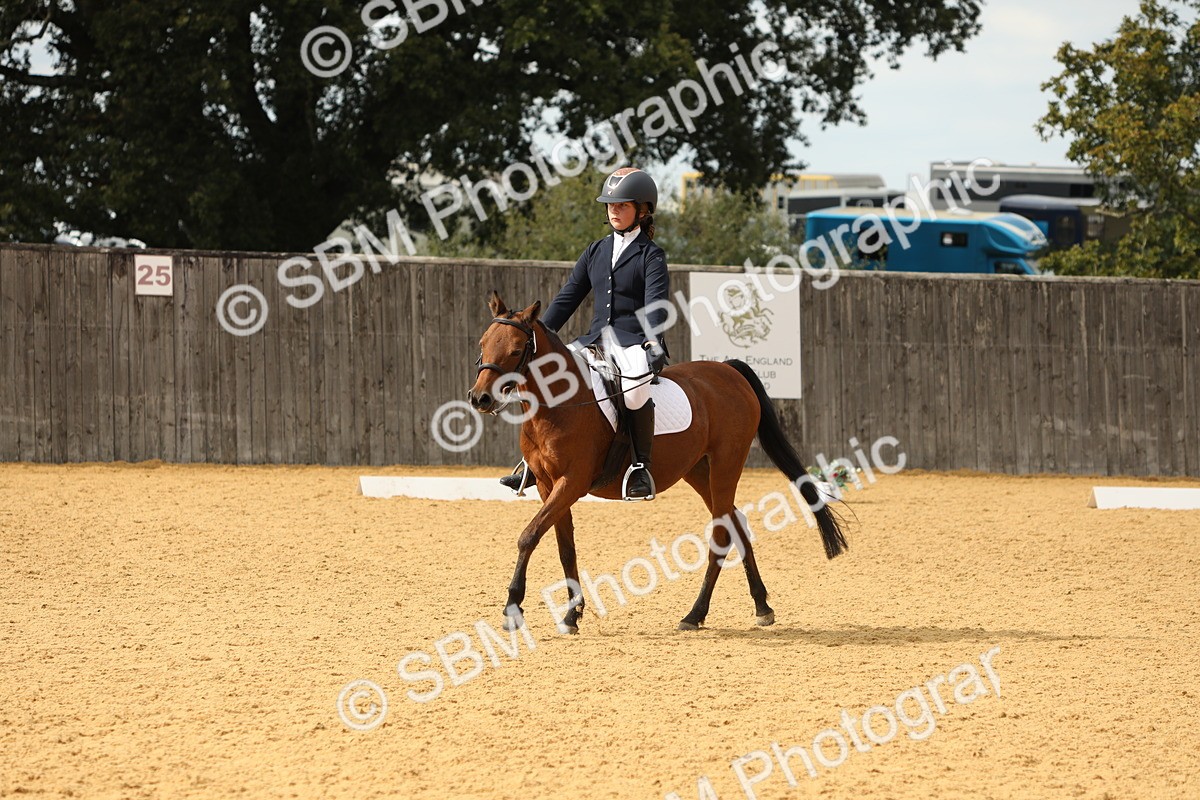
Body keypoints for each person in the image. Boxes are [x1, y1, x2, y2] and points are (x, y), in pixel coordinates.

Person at [500, 167, 670, 500]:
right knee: (546, 375)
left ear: (643, 209)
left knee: (635, 392)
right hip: (593, 340)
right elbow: (568, 297)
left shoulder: (651, 255)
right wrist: (538, 332)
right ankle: (532, 461)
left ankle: (640, 467)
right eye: (610, 205)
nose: (614, 210)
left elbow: (655, 306)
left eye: (622, 205)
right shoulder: (596, 250)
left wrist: (653, 341)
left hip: (633, 341)